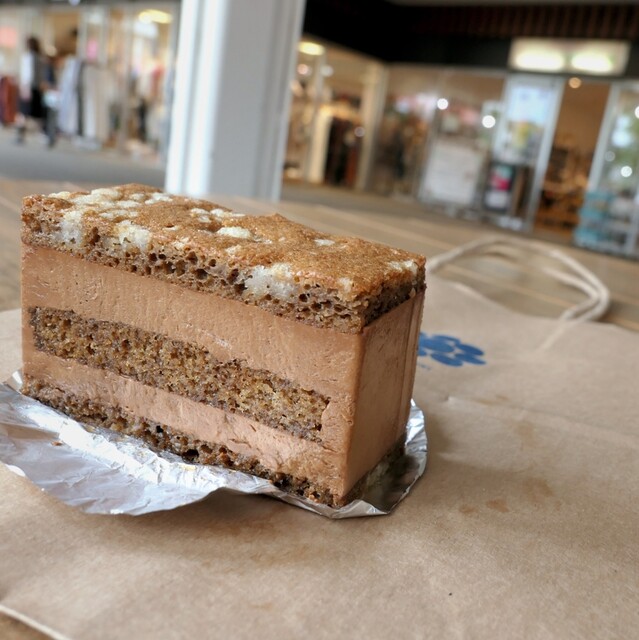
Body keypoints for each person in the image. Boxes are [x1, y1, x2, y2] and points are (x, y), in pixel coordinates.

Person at [15, 36, 46, 144]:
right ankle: (41, 133)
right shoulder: (39, 57)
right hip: (35, 87)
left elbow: (28, 74)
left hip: (29, 87)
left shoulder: (29, 57)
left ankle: (23, 134)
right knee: (34, 112)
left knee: (25, 112)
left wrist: (25, 87)